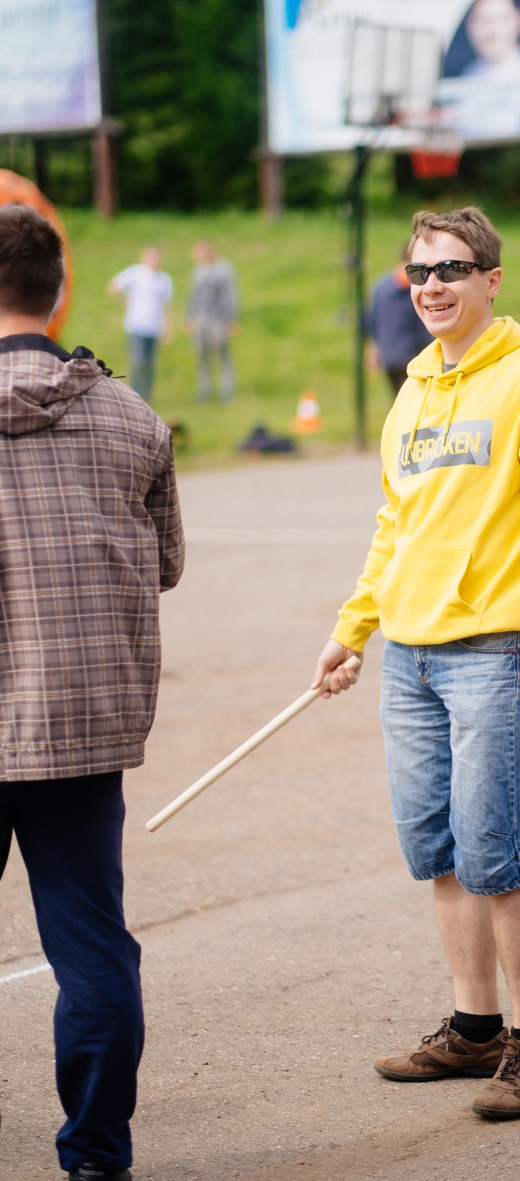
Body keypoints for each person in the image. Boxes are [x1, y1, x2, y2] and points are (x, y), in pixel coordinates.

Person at [311, 205, 520, 1120]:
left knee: (495, 854)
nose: (431, 286)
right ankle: (475, 1030)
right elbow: (395, 526)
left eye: (452, 269)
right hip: (409, 658)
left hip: (491, 653)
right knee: (435, 850)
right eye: (419, 271)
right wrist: (353, 628)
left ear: (490, 281)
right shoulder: (412, 391)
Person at [0, 206, 185, 1181]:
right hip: (78, 721)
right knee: (92, 946)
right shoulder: (131, 414)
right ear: (60, 290)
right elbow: (165, 564)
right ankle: (98, 1154)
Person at [445, 0, 520, 141]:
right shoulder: (468, 74)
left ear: (519, 19)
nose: (492, 31)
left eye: (502, 19)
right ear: (469, 25)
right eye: (483, 20)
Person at [364, 247, 433, 396]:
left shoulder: (381, 286)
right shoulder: (413, 284)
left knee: (400, 397)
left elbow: (371, 321)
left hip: (388, 354)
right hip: (411, 354)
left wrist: (374, 348)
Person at [108, 247, 173, 402]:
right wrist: (125, 303)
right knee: (138, 361)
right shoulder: (136, 273)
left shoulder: (164, 280)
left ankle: (147, 393)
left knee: (150, 362)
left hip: (155, 327)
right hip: (137, 325)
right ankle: (134, 392)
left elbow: (167, 306)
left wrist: (168, 329)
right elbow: (114, 286)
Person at [184, 240, 240, 402]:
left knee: (222, 353)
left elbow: (231, 294)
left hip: (219, 319)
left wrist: (232, 317)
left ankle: (226, 389)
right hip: (201, 319)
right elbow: (193, 294)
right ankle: (204, 389)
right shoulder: (198, 271)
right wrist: (189, 316)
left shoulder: (225, 269)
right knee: (201, 354)